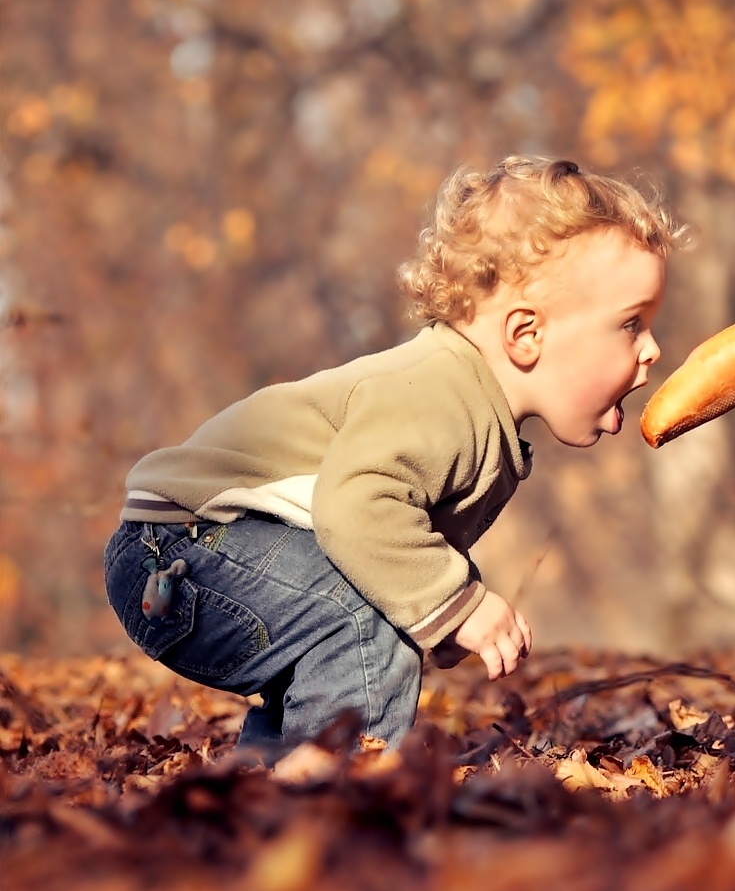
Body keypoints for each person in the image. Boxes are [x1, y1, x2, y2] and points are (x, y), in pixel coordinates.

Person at [103, 157, 679, 751]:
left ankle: (272, 792)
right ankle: (338, 794)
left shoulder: (473, 404)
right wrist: (455, 601)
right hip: (183, 551)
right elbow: (358, 508)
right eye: (631, 325)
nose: (654, 350)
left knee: (351, 626)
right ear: (526, 334)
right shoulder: (438, 394)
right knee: (362, 623)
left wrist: (440, 607)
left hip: (215, 552)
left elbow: (395, 537)